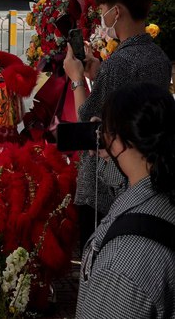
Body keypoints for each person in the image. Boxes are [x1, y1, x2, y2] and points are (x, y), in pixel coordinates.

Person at [63, 0, 172, 250]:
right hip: (143, 174)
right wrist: (98, 73)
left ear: (117, 11)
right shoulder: (158, 57)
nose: (101, 17)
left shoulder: (119, 63)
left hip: (105, 185)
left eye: (102, 10)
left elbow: (87, 125)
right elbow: (129, 103)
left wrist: (76, 79)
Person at [76, 82, 175, 318]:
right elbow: (132, 186)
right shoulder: (164, 189)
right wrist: (107, 154)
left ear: (119, 141)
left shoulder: (122, 261)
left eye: (106, 131)